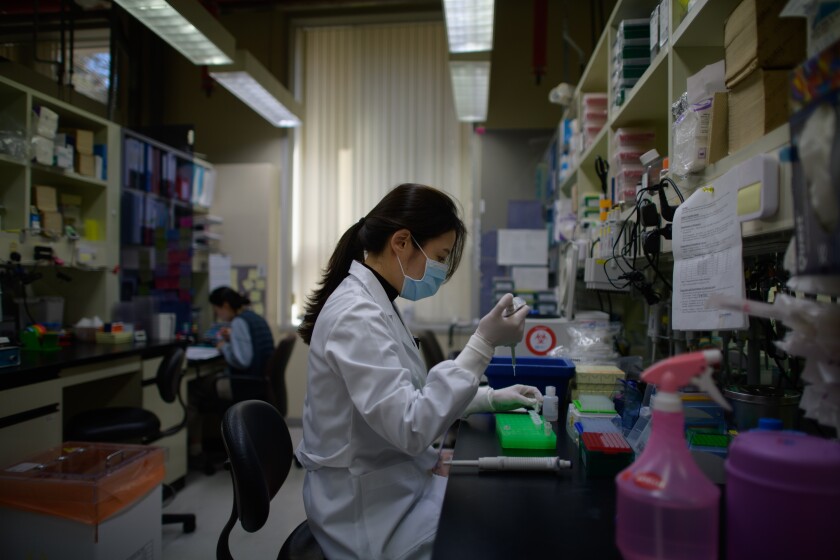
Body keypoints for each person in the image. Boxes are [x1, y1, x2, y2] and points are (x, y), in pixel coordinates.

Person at [296, 183, 541, 559]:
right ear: (402, 242)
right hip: (365, 513)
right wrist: (482, 344)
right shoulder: (355, 314)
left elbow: (410, 395)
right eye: (440, 256)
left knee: (496, 512)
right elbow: (411, 427)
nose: (440, 272)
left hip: (389, 486)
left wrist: (488, 399)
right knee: (499, 532)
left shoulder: (376, 303)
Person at [188, 287, 275, 458]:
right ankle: (209, 442)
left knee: (194, 389)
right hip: (258, 380)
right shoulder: (254, 318)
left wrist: (224, 346)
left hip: (243, 383)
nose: (218, 315)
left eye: (217, 309)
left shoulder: (239, 322)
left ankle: (194, 449)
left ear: (226, 305)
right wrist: (232, 340)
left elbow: (242, 360)